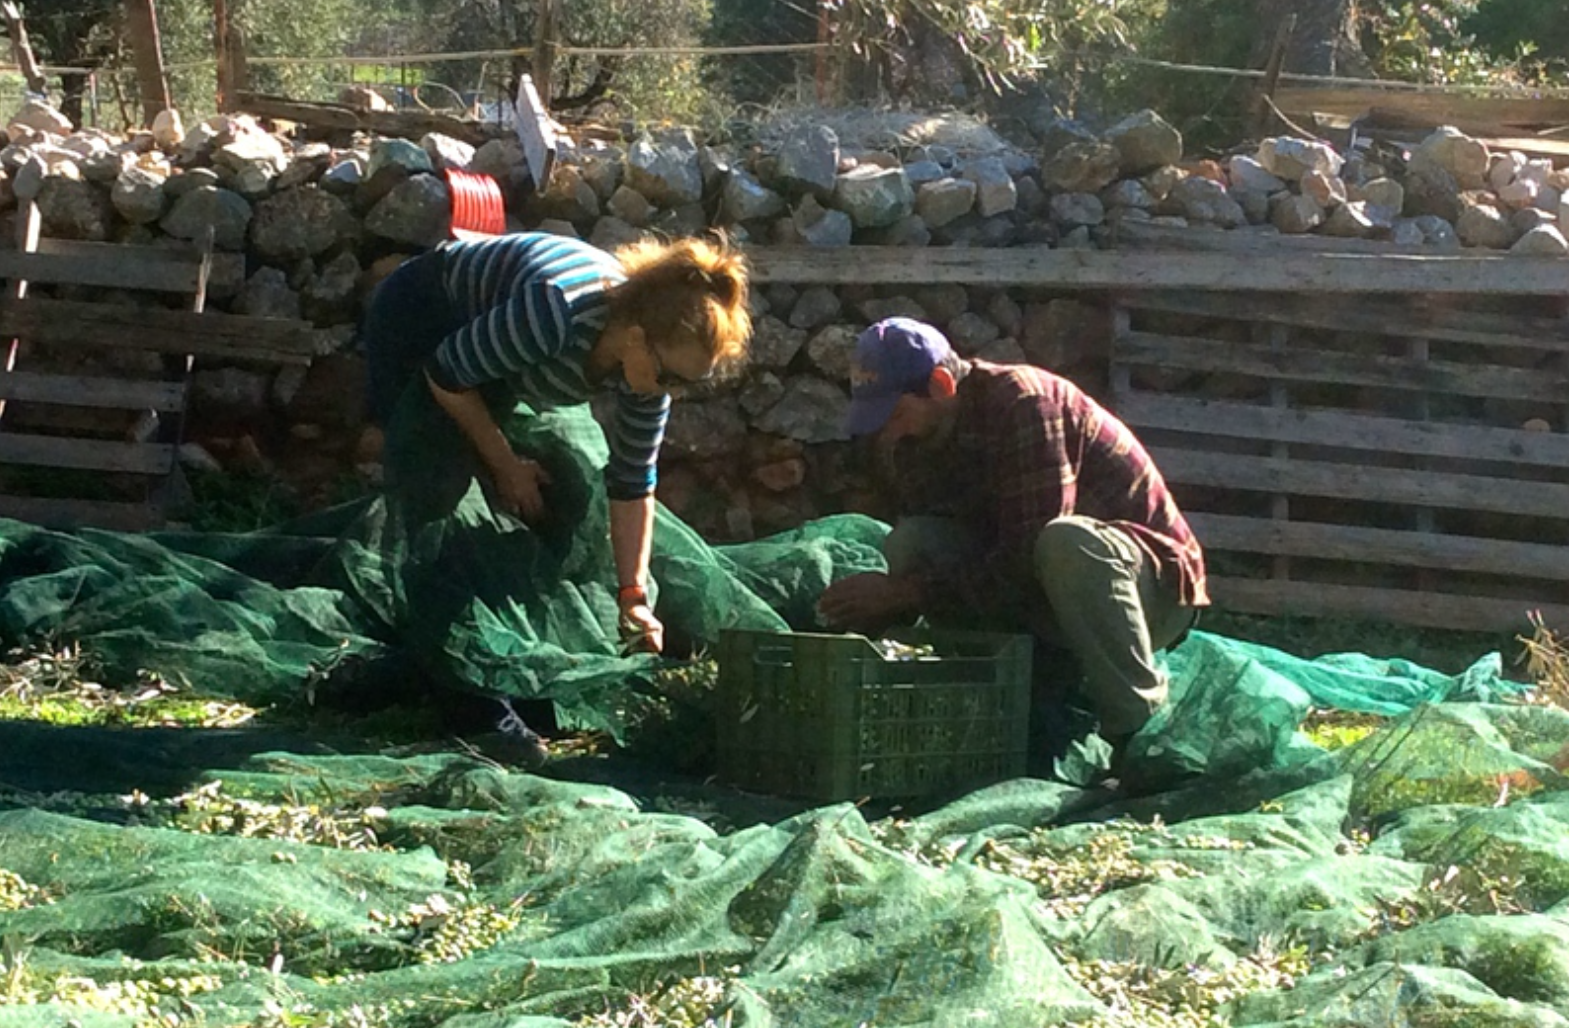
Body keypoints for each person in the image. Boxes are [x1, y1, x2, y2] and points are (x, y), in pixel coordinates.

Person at [816, 317, 1207, 777]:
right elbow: (966, 556)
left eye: (895, 414)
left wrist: (906, 594)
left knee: (1066, 540)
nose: (887, 432)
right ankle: (999, 703)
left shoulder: (1024, 405)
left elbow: (1025, 552)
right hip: (1041, 594)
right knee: (913, 540)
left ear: (941, 385)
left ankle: (1137, 734)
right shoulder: (914, 442)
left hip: (1145, 596)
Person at [363, 231, 751, 657]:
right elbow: (448, 375)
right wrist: (507, 467)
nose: (672, 393)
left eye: (688, 385)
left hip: (493, 350)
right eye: (671, 378)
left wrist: (633, 598)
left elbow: (633, 482)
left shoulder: (645, 378)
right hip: (421, 316)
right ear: (636, 338)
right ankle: (417, 631)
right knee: (431, 483)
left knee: (555, 491)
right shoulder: (554, 315)